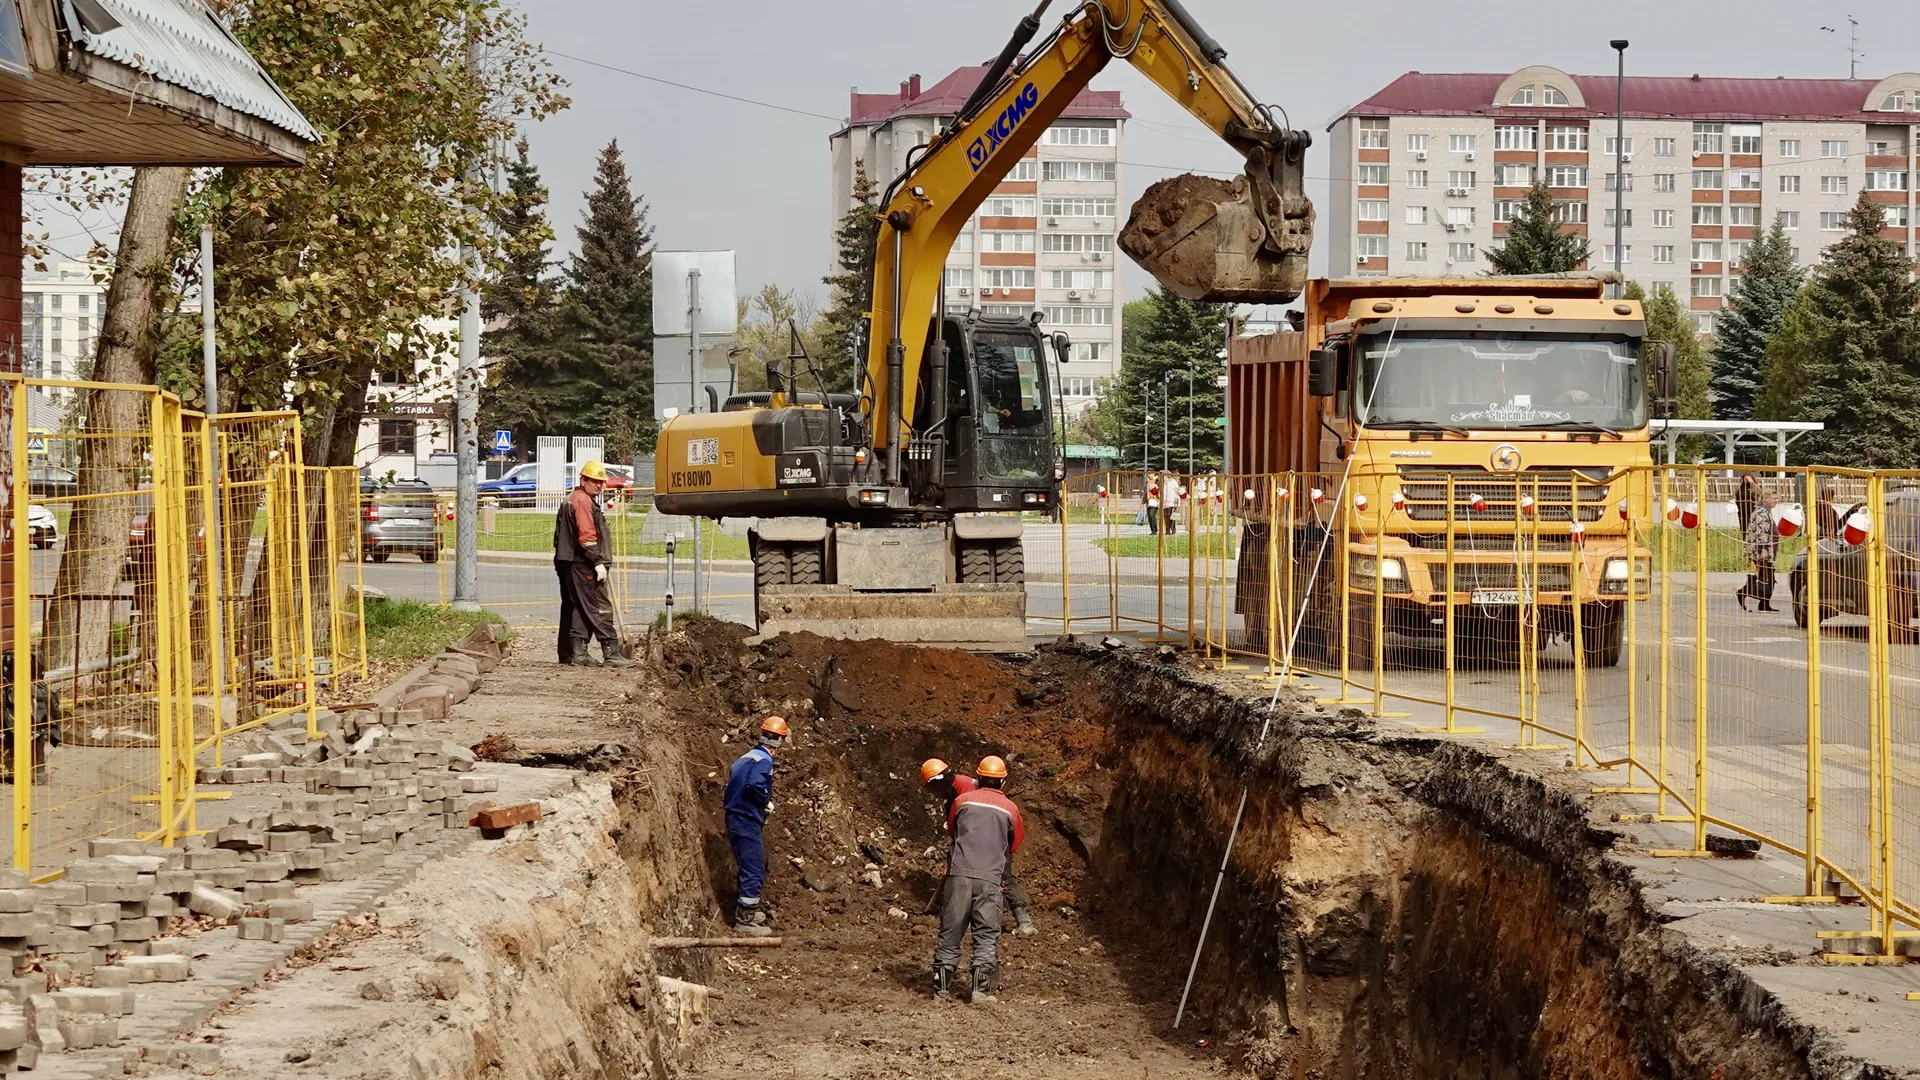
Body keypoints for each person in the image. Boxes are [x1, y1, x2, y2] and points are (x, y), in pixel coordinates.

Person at [932, 755, 1025, 1003]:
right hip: (990, 880)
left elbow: (953, 830)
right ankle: (979, 992)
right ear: (1003, 781)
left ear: (978, 776)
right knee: (986, 935)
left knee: (950, 933)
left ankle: (940, 990)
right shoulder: (1011, 809)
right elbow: (1013, 844)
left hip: (958, 876)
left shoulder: (961, 801)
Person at [921, 758, 1036, 935]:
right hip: (973, 842)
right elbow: (955, 825)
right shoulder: (952, 794)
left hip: (993, 840)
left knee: (1003, 875)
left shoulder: (967, 790)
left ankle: (1023, 920)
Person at [553, 460, 632, 668]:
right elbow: (587, 536)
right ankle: (611, 652)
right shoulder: (582, 502)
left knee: (579, 607)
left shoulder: (575, 499)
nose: (599, 485)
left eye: (601, 482)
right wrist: (597, 562)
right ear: (583, 480)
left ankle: (577, 654)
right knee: (599, 607)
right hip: (583, 564)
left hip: (570, 562)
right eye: (595, 481)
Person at [724, 716, 789, 936]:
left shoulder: (746, 757)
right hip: (746, 819)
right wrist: (764, 800)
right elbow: (755, 783)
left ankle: (747, 910)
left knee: (748, 865)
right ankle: (744, 921)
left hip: (735, 816)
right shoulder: (764, 760)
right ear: (779, 741)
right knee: (754, 869)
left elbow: (736, 779)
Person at [1735, 474, 1778, 612]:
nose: (1776, 501)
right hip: (1761, 550)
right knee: (1767, 576)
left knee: (1765, 576)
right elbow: (1761, 532)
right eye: (1774, 498)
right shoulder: (1761, 512)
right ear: (1765, 499)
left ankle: (1763, 603)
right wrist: (1763, 550)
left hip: (1765, 549)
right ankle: (1744, 592)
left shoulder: (1765, 511)